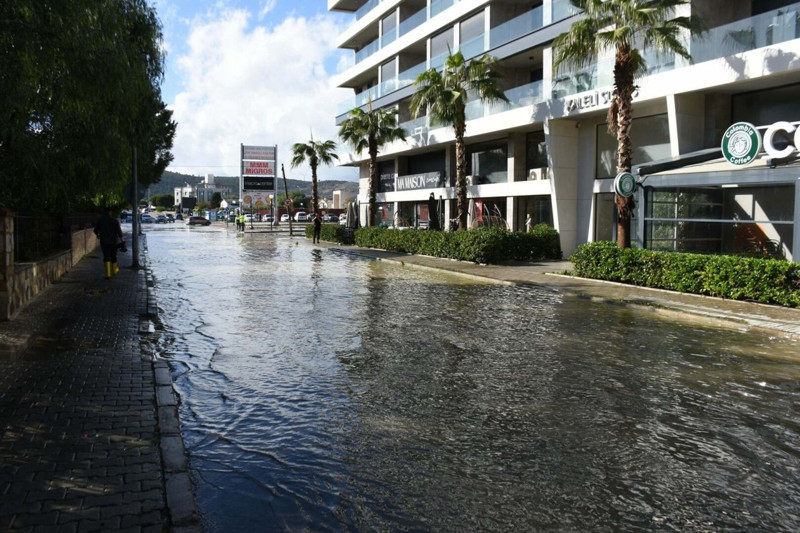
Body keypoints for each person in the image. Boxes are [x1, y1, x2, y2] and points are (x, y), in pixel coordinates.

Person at [94, 206, 124, 279]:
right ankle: (115, 270)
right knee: (113, 256)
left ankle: (108, 274)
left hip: (104, 242)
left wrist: (98, 235)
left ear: (105, 212)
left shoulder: (100, 220)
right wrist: (122, 240)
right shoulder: (114, 221)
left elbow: (95, 230)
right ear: (110, 212)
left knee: (106, 256)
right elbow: (119, 232)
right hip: (114, 242)